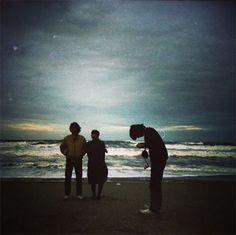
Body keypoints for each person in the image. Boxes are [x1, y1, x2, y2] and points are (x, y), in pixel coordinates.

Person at [129, 124, 168, 214]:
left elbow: (151, 144)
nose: (139, 137)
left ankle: (154, 209)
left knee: (154, 184)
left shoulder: (149, 132)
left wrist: (142, 145)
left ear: (137, 131)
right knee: (155, 183)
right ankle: (154, 205)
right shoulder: (149, 131)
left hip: (159, 160)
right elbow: (153, 145)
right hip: (159, 159)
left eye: (137, 135)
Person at [60, 122, 86, 199]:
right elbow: (62, 147)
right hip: (69, 159)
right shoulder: (67, 138)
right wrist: (66, 153)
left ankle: (79, 194)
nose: (73, 129)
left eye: (75, 128)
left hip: (78, 159)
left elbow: (85, 148)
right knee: (68, 177)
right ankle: (67, 194)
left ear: (78, 129)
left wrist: (81, 154)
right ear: (70, 129)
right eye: (72, 128)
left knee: (79, 177)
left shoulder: (82, 138)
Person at [86, 130, 108, 200]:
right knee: (92, 180)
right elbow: (85, 151)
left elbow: (104, 152)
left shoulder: (101, 143)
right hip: (92, 164)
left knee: (100, 180)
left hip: (100, 164)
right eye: (92, 134)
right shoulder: (89, 143)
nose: (92, 135)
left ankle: (98, 195)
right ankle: (94, 195)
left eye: (94, 134)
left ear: (97, 135)